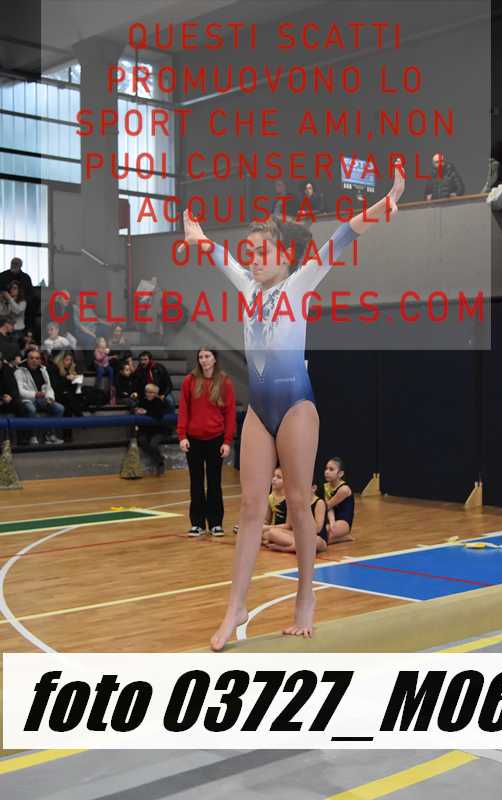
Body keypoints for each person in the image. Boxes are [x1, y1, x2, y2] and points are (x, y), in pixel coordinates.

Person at [180, 160, 405, 650]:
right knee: (251, 505)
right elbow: (223, 258)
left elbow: (343, 236)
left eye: (263, 253)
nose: (254, 260)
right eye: (252, 253)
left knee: (300, 502)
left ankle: (305, 598)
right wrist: (199, 238)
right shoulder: (248, 288)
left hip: (297, 407)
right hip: (261, 411)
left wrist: (387, 202)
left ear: (284, 256)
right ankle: (235, 606)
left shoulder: (300, 283)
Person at [178, 348, 236, 536]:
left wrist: (227, 441)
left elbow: (230, 413)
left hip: (216, 439)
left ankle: (216, 523)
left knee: (214, 482)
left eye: (207, 356)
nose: (204, 360)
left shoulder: (225, 382)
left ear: (214, 359)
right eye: (201, 357)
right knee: (196, 482)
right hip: (193, 439)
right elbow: (183, 409)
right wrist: (182, 436)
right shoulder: (189, 380)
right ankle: (197, 523)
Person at [15, 349, 65, 445]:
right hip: (27, 400)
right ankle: (32, 437)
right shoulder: (19, 371)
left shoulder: (43, 370)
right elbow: (20, 391)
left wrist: (50, 398)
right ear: (27, 359)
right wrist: (35, 394)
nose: (34, 360)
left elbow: (49, 387)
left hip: (42, 399)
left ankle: (50, 435)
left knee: (59, 408)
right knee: (31, 409)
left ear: (40, 360)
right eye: (32, 358)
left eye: (37, 358)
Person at [263, 485, 328, 554]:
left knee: (317, 541)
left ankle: (284, 548)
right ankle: (298, 547)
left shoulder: (319, 502)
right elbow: (290, 525)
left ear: (313, 488)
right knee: (272, 532)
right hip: (298, 536)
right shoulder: (294, 502)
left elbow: (317, 529)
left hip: (314, 537)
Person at [134, 383, 173, 476]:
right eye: (147, 392)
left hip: (160, 430)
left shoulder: (159, 402)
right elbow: (138, 409)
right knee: (142, 440)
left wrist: (146, 412)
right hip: (146, 429)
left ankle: (160, 462)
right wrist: (137, 410)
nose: (149, 394)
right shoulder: (143, 401)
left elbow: (158, 414)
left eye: (151, 392)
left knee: (153, 444)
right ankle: (158, 459)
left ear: (156, 394)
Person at [321, 457, 355, 544]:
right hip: (330, 520)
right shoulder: (325, 487)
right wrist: (331, 522)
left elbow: (327, 506)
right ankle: (341, 537)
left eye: (331, 469)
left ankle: (344, 536)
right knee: (316, 535)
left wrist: (332, 524)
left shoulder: (344, 489)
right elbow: (329, 508)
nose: (326, 472)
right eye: (326, 469)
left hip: (343, 522)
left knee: (321, 538)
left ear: (340, 474)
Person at [0, 355, 26, 442]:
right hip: (1, 399)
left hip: (7, 399)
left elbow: (14, 388)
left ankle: (21, 438)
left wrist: (10, 396)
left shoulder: (8, 370)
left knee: (20, 405)